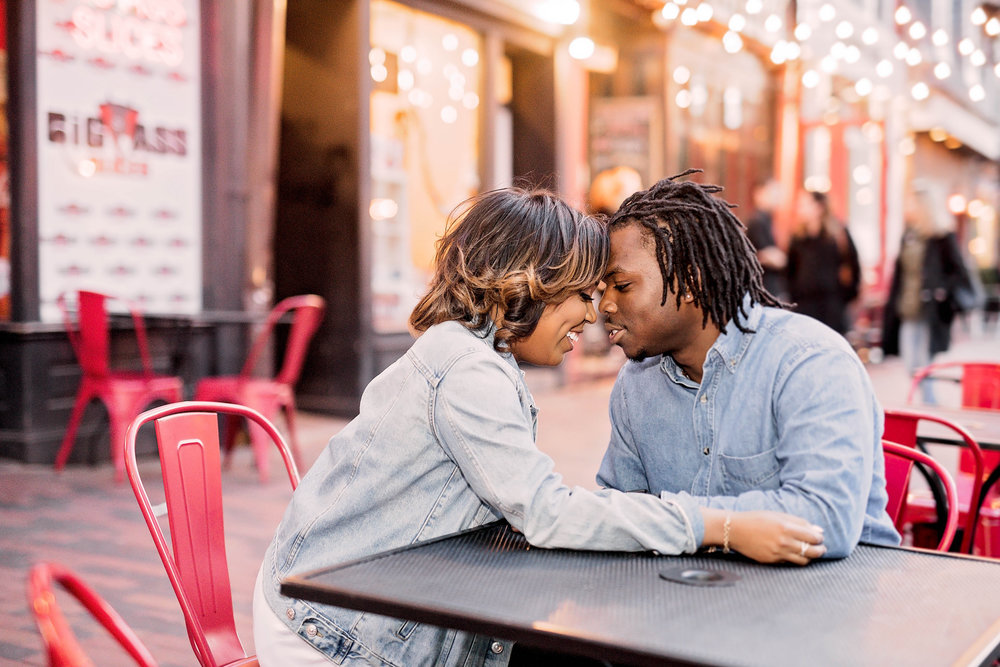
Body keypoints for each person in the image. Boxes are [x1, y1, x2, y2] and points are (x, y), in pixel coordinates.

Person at [253, 187, 826, 667]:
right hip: (332, 632)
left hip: (348, 605)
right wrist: (719, 525)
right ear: (526, 282)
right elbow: (547, 512)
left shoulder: (477, 357)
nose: (594, 311)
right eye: (583, 291)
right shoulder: (468, 369)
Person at [596, 170, 900, 560]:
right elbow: (617, 510)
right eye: (601, 289)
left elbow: (826, 520)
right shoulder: (635, 383)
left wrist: (689, 523)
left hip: (839, 601)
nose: (604, 305)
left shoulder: (810, 362)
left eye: (621, 286)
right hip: (694, 602)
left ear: (689, 281)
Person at [881, 180, 975, 403]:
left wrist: (942, 292)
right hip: (907, 307)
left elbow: (958, 272)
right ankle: (930, 403)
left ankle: (930, 405)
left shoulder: (942, 236)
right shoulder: (909, 235)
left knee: (923, 362)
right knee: (910, 363)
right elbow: (900, 273)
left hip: (931, 310)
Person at [786, 189, 861, 335]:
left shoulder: (838, 234)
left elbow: (854, 266)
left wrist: (845, 298)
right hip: (804, 307)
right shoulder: (798, 237)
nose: (799, 209)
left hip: (832, 307)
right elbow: (790, 270)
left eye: (805, 204)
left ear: (818, 207)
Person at [744, 178, 787, 300]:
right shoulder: (757, 221)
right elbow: (770, 256)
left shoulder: (767, 220)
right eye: (772, 193)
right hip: (764, 287)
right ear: (759, 193)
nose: (776, 198)